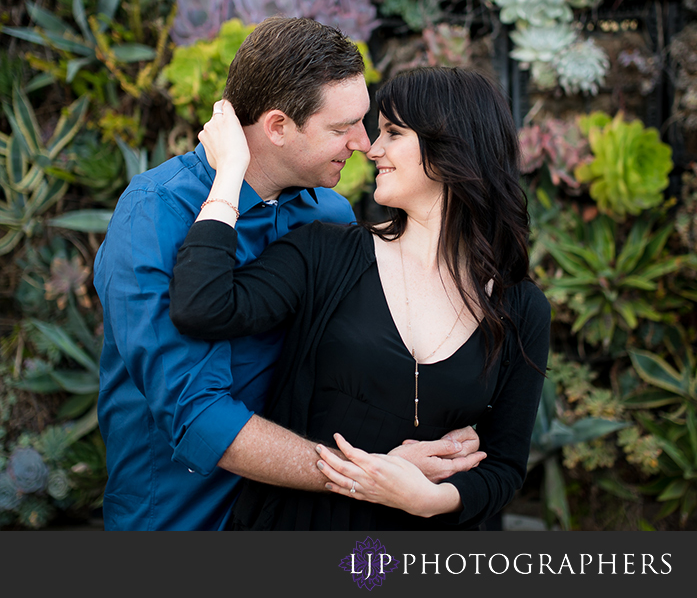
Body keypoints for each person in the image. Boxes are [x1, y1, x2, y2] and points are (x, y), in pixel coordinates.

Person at [94, 18, 483, 531]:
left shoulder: (330, 214)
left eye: (363, 121)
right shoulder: (155, 213)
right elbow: (199, 418)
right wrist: (365, 472)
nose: (364, 144)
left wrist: (444, 427)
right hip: (181, 519)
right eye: (342, 127)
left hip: (297, 517)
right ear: (277, 127)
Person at [168, 66, 551, 529]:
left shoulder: (519, 307)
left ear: (452, 148)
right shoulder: (326, 253)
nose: (371, 148)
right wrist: (232, 172)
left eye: (393, 133)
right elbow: (202, 307)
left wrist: (430, 499)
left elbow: (504, 466)